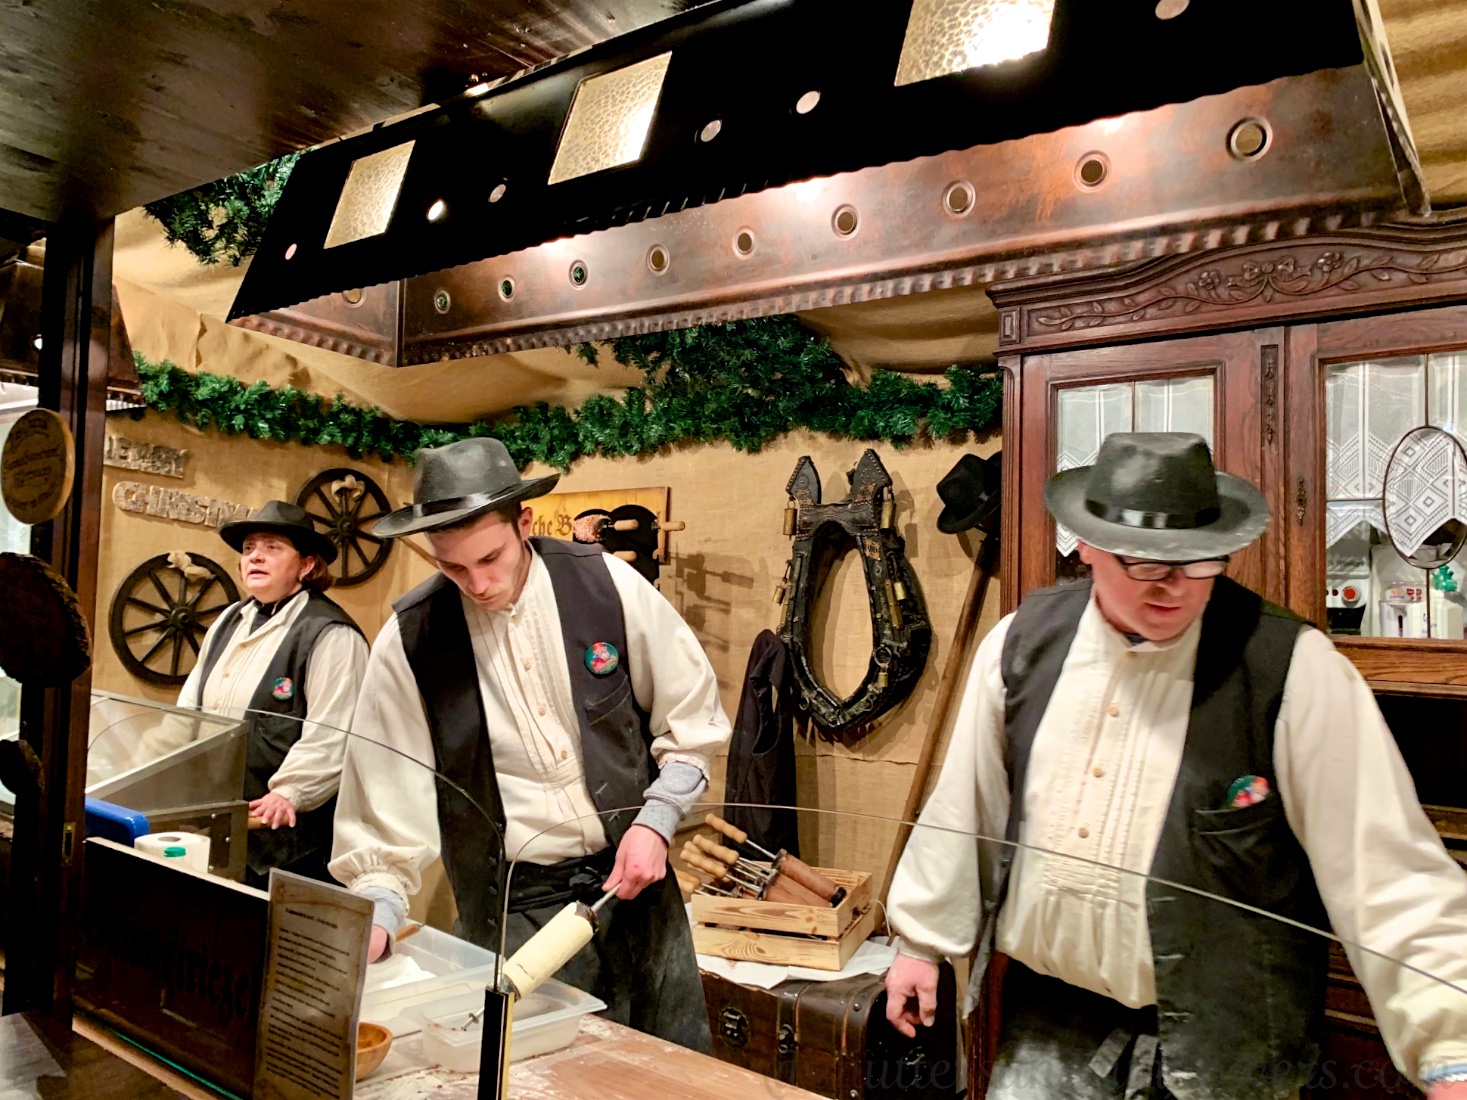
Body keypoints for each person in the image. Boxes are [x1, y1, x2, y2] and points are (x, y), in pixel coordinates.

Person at [883, 433, 1467, 1099]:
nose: (1173, 589)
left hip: (1230, 1041)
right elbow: (967, 806)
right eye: (1142, 564)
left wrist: (1453, 1048)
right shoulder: (1018, 643)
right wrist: (920, 943)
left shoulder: (1293, 669)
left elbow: (1386, 870)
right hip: (1048, 1027)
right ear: (1083, 545)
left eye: (1196, 563)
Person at [330, 438, 729, 1052]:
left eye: (490, 557)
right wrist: (379, 909)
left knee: (669, 1077)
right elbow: (382, 804)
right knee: (541, 1081)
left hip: (638, 891)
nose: (479, 583)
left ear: (524, 522)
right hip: (515, 912)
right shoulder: (410, 641)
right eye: (453, 567)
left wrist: (659, 818)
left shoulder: (608, 586)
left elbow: (691, 720)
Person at [178, 500, 367, 889]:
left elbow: (333, 732)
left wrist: (290, 792)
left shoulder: (330, 633)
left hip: (287, 844)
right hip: (220, 825)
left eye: (272, 548)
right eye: (249, 549)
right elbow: (189, 711)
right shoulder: (229, 621)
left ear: (307, 565)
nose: (255, 557)